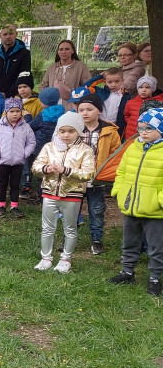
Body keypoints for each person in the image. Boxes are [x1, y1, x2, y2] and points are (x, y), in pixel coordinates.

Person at [31, 112, 95, 273]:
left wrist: (65, 170)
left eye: (71, 131)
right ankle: (46, 258)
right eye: (62, 131)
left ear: (79, 131)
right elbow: (36, 167)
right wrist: (46, 169)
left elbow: (88, 173)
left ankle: (66, 259)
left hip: (72, 195)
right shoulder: (49, 147)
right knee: (47, 228)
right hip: (49, 193)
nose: (66, 135)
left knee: (70, 228)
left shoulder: (85, 150)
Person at [110, 108, 163, 296]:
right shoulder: (133, 147)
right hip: (131, 205)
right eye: (141, 128)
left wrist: (159, 200)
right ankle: (127, 272)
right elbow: (122, 171)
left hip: (155, 210)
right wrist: (119, 190)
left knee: (157, 246)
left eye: (149, 128)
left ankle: (155, 278)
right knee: (130, 241)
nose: (144, 132)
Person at [70, 89, 122, 255]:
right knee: (72, 211)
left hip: (96, 179)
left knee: (97, 210)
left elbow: (116, 155)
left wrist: (107, 173)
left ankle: (96, 239)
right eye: (81, 110)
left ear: (99, 110)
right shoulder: (71, 128)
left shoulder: (110, 131)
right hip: (75, 178)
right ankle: (70, 238)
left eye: (89, 109)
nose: (85, 113)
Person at [0, 97, 36, 217]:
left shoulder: (25, 127)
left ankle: (14, 206)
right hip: (2, 161)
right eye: (11, 111)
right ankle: (1, 205)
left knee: (15, 184)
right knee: (3, 184)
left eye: (17, 111)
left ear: (21, 111)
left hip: (18, 162)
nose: (15, 114)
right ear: (6, 112)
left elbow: (31, 142)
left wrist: (25, 153)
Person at [24, 87, 65, 201]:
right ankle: (48, 193)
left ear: (44, 102)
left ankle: (37, 194)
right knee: (50, 170)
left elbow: (30, 126)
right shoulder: (62, 112)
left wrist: (27, 116)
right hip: (54, 147)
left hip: (39, 148)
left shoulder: (43, 115)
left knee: (39, 170)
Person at [0, 24, 31, 97]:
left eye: (11, 34)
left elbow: (23, 76)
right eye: (5, 34)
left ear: (16, 34)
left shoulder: (24, 54)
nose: (8, 37)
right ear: (0, 35)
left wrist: (7, 94)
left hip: (15, 97)